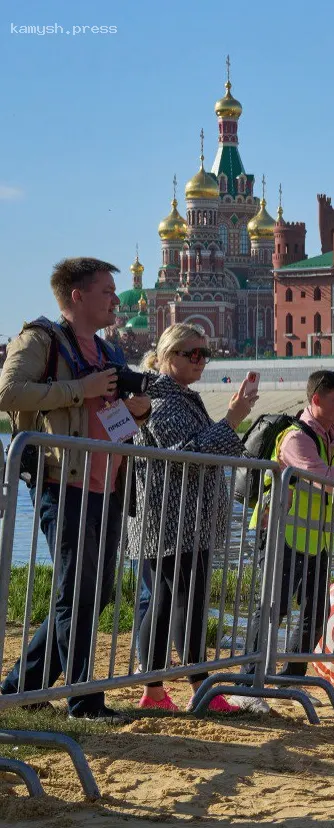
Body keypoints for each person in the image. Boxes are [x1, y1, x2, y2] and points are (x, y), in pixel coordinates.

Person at [0, 257, 152, 723]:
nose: (115, 299)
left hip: (108, 486)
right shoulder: (40, 339)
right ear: (77, 297)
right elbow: (9, 393)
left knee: (96, 592)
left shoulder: (109, 351)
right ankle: (85, 702)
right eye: (106, 291)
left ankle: (18, 687)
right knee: (75, 592)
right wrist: (76, 388)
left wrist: (138, 410)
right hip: (61, 483)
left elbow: (114, 417)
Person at [127, 323, 258, 713]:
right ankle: (183, 689)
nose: (201, 360)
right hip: (170, 519)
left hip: (186, 520)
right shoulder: (162, 401)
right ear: (167, 358)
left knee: (179, 601)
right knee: (176, 600)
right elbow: (186, 455)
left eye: (205, 353)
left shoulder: (182, 398)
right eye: (192, 353)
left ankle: (173, 690)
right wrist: (233, 418)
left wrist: (233, 419)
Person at [230, 370, 334, 712]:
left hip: (316, 539)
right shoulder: (295, 438)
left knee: (316, 611)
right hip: (281, 532)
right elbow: (326, 480)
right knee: (272, 608)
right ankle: (247, 685)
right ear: (316, 400)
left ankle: (291, 680)